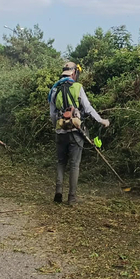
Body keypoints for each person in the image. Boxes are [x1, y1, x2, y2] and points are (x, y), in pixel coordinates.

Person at [48, 61, 109, 204]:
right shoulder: (77, 87)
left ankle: (58, 192)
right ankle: (72, 197)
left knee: (61, 162)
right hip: (76, 131)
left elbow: (52, 114)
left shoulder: (54, 90)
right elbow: (88, 108)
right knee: (74, 164)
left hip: (60, 130)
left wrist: (56, 127)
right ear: (74, 73)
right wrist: (101, 120)